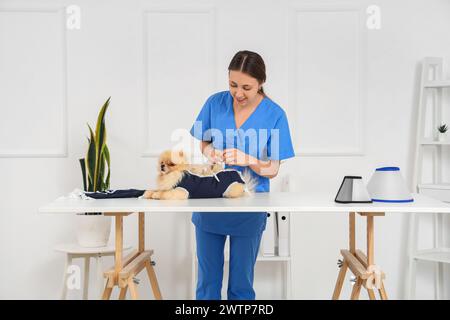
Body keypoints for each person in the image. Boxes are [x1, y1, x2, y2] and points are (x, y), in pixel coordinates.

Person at [189, 50, 295, 300]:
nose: (238, 93)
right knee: (207, 284)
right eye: (233, 85)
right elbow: (203, 144)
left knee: (241, 285)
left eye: (246, 87)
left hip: (250, 207)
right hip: (211, 205)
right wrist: (211, 151)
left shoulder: (275, 115)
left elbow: (273, 169)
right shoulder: (214, 103)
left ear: (261, 83)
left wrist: (249, 159)